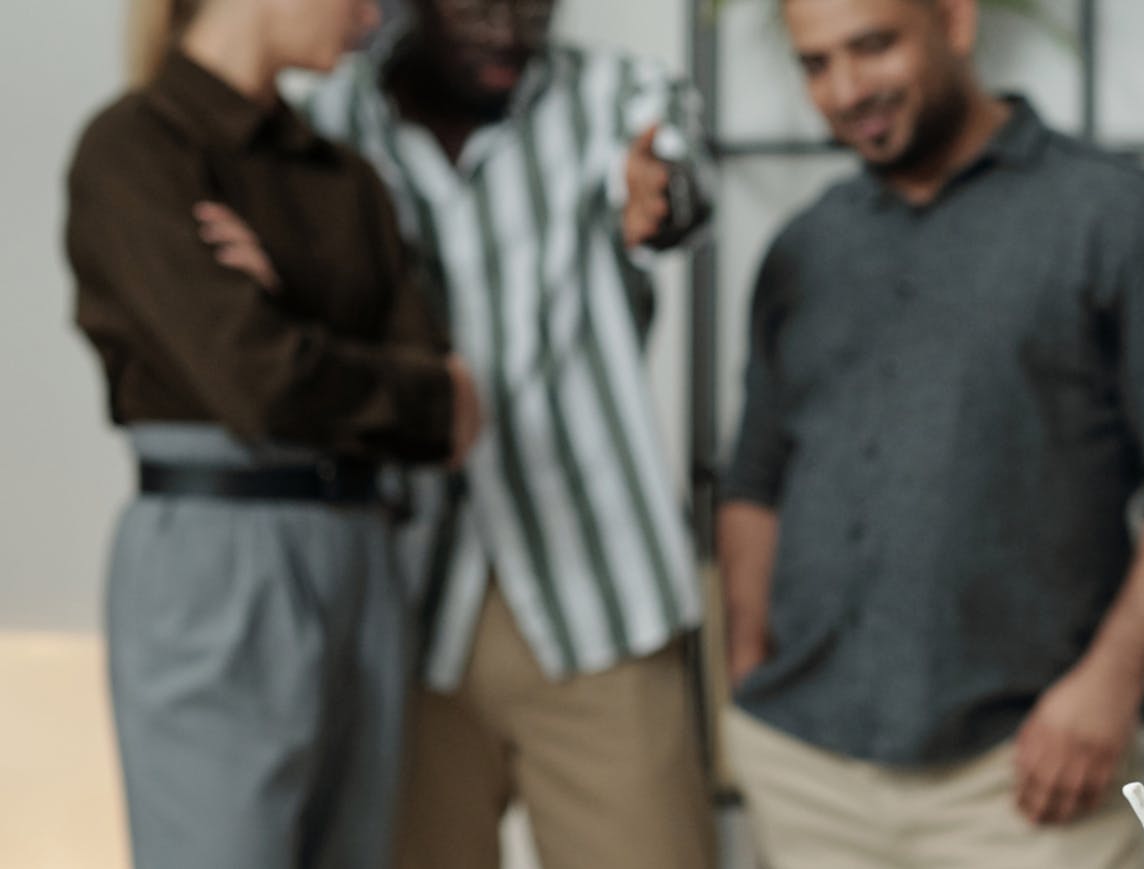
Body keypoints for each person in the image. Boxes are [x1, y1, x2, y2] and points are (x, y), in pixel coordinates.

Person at [714, 0, 1144, 865]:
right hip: (803, 768)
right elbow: (755, 474)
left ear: (955, 21)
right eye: (815, 65)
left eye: (873, 46)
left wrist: (1108, 683)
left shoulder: (1127, 218)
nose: (846, 88)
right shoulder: (804, 245)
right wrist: (748, 660)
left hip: (1028, 776)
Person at [297, 0, 718, 866]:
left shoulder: (612, 93)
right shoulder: (328, 120)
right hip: (403, 615)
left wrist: (662, 195)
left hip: (598, 604)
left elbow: (672, 171)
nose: (511, 28)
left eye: (534, 5)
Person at [65, 0, 481, 867]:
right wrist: (370, 370)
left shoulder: (347, 178)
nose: (373, 18)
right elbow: (255, 381)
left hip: (363, 556)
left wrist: (283, 299)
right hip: (216, 559)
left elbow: (451, 409)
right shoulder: (134, 150)